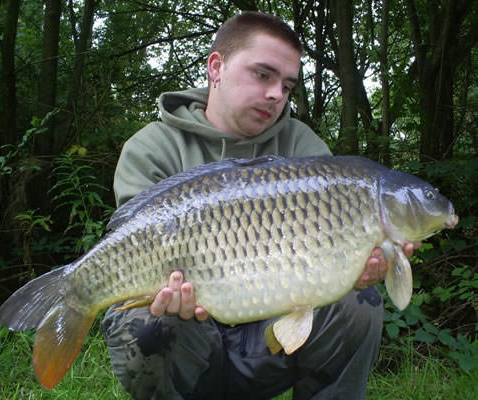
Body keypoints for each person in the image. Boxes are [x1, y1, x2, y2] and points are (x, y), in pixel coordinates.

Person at [102, 11, 418, 400]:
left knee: (358, 303)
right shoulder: (153, 148)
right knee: (145, 320)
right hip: (186, 339)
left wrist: (357, 266)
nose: (276, 94)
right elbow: (127, 244)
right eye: (263, 75)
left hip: (268, 342)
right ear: (216, 67)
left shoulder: (303, 149)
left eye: (287, 85)